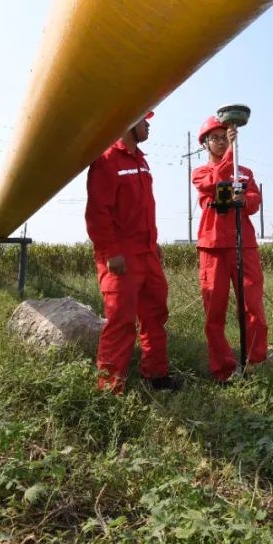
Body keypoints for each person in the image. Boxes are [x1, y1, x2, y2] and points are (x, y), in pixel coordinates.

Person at [85, 111, 178, 392]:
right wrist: (111, 252)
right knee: (121, 322)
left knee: (155, 317)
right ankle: (110, 389)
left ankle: (156, 376)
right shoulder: (106, 161)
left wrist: (154, 244)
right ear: (128, 123)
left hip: (147, 255)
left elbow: (142, 210)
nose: (148, 124)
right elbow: (98, 213)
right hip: (121, 258)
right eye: (143, 119)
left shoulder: (141, 160)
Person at [191, 115, 268, 382]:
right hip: (212, 247)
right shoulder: (200, 172)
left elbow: (255, 201)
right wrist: (232, 155)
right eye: (216, 138)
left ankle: (254, 362)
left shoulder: (244, 172)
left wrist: (243, 199)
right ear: (205, 144)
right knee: (215, 310)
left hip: (243, 243)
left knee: (253, 305)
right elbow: (213, 182)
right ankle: (223, 369)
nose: (222, 142)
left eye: (225, 137)